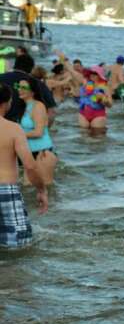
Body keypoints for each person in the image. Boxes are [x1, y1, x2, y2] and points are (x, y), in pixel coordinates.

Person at [0, 84, 48, 247]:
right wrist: (41, 190)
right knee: (18, 247)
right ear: (8, 102)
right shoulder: (13, 129)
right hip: (6, 192)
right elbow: (30, 165)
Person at [13, 78, 58, 186]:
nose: (20, 89)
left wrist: (16, 135)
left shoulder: (38, 106)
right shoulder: (22, 107)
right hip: (28, 154)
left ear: (33, 91)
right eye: (18, 86)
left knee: (46, 188)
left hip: (42, 153)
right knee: (27, 188)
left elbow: (39, 132)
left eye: (24, 87)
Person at [77, 67, 112, 131]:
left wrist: (103, 98)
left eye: (95, 73)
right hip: (83, 114)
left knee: (97, 137)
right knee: (83, 136)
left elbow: (110, 105)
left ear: (99, 75)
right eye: (91, 73)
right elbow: (73, 73)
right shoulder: (85, 84)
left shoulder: (104, 88)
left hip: (98, 114)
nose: (92, 74)